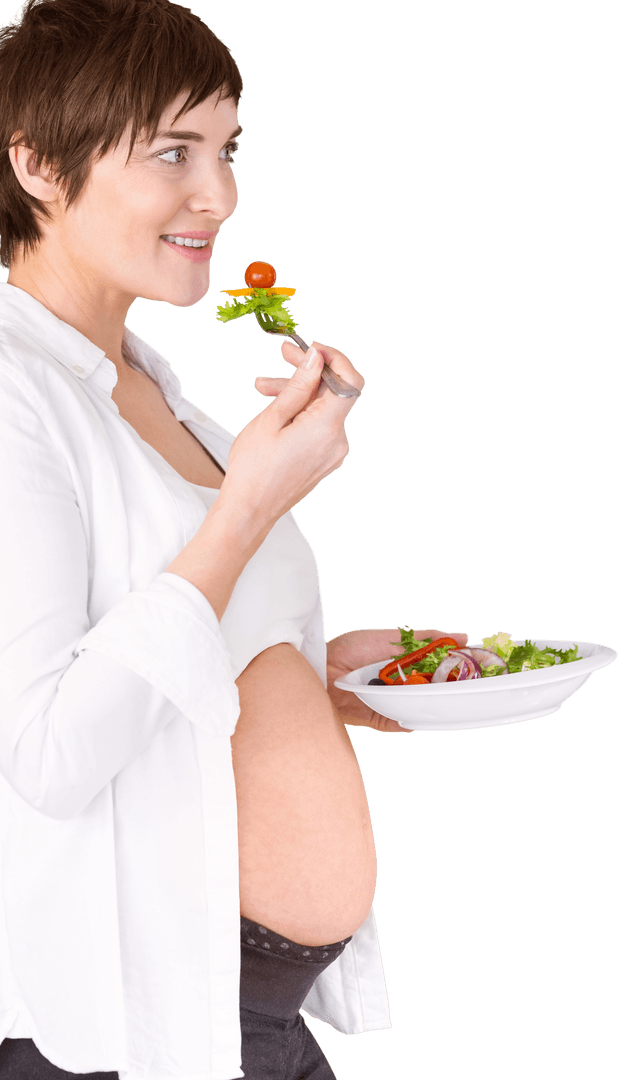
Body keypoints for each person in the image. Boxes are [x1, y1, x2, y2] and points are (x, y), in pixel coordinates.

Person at [0, 2, 467, 1078]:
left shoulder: (160, 392)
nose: (221, 195)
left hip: (246, 1010)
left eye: (227, 149)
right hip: (123, 1028)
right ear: (34, 162)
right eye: (173, 151)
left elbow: (176, 661)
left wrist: (322, 681)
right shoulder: (17, 394)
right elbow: (47, 753)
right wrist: (249, 506)